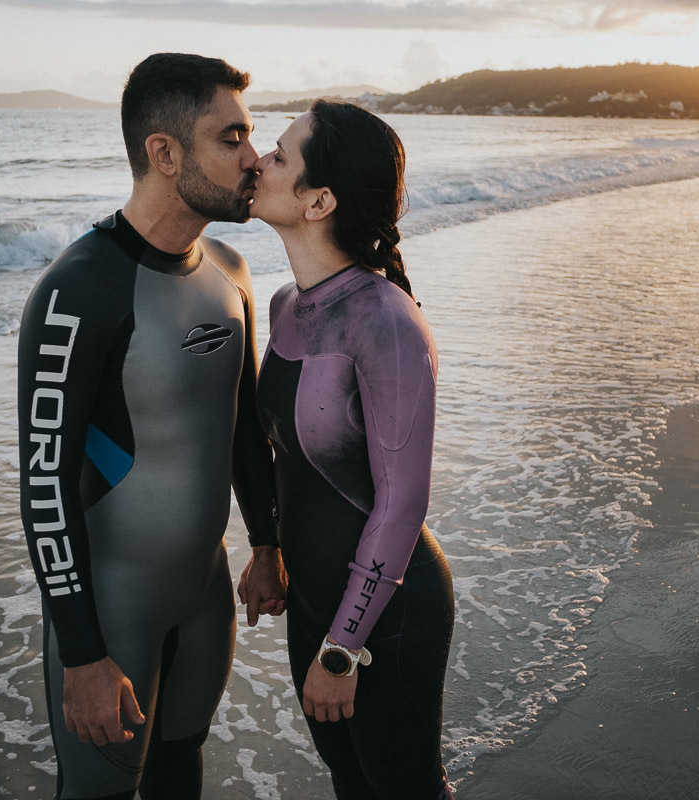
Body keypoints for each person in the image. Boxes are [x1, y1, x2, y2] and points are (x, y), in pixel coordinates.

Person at [17, 53, 285, 800]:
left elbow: (242, 429)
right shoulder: (81, 288)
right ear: (164, 154)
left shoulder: (230, 270)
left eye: (252, 136)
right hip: (111, 612)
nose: (254, 158)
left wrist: (267, 544)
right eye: (231, 139)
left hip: (203, 596)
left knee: (179, 771)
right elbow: (43, 486)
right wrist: (81, 654)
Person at [238, 99, 456, 799]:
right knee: (352, 784)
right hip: (316, 603)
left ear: (320, 200)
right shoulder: (284, 306)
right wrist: (267, 549)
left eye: (278, 155)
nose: (257, 162)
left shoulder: (386, 320)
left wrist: (344, 645)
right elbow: (284, 459)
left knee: (404, 789)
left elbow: (401, 503)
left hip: (386, 614)